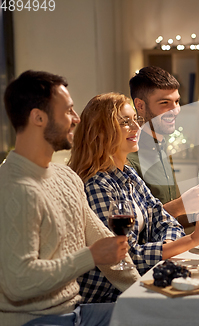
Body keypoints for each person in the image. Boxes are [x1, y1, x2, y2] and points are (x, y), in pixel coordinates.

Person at [0, 70, 139, 326]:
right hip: (36, 321)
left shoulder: (66, 177)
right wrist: (91, 256)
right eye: (68, 111)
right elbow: (17, 282)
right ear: (38, 117)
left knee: (163, 316)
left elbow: (105, 243)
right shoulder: (13, 188)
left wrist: (145, 293)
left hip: (76, 312)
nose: (76, 119)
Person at [69, 92, 199, 303]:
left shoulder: (128, 174)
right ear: (102, 132)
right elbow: (126, 258)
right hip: (109, 298)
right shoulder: (97, 185)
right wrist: (192, 239)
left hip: (138, 285)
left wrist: (167, 243)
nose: (136, 127)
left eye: (136, 120)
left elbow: (164, 219)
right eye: (125, 122)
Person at [128, 66, 199, 232]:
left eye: (177, 101)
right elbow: (135, 229)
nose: (176, 110)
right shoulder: (128, 158)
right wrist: (179, 206)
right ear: (140, 106)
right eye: (165, 103)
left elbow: (171, 220)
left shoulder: (162, 149)